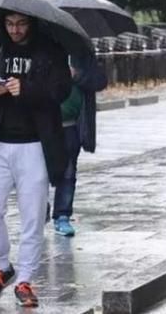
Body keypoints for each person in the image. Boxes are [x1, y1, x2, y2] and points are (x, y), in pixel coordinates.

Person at [0, 12, 71, 308]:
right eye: (9, 24)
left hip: (35, 145)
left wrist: (28, 89)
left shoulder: (49, 50)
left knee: (33, 216)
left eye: (21, 24)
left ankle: (24, 279)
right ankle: (2, 266)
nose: (15, 30)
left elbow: (61, 90)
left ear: (32, 22)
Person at [51, 54, 107, 236]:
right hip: (41, 125)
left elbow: (100, 81)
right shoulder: (41, 50)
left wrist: (76, 74)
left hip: (71, 126)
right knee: (36, 174)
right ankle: (38, 210)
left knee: (68, 173)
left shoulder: (82, 54)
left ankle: (62, 215)